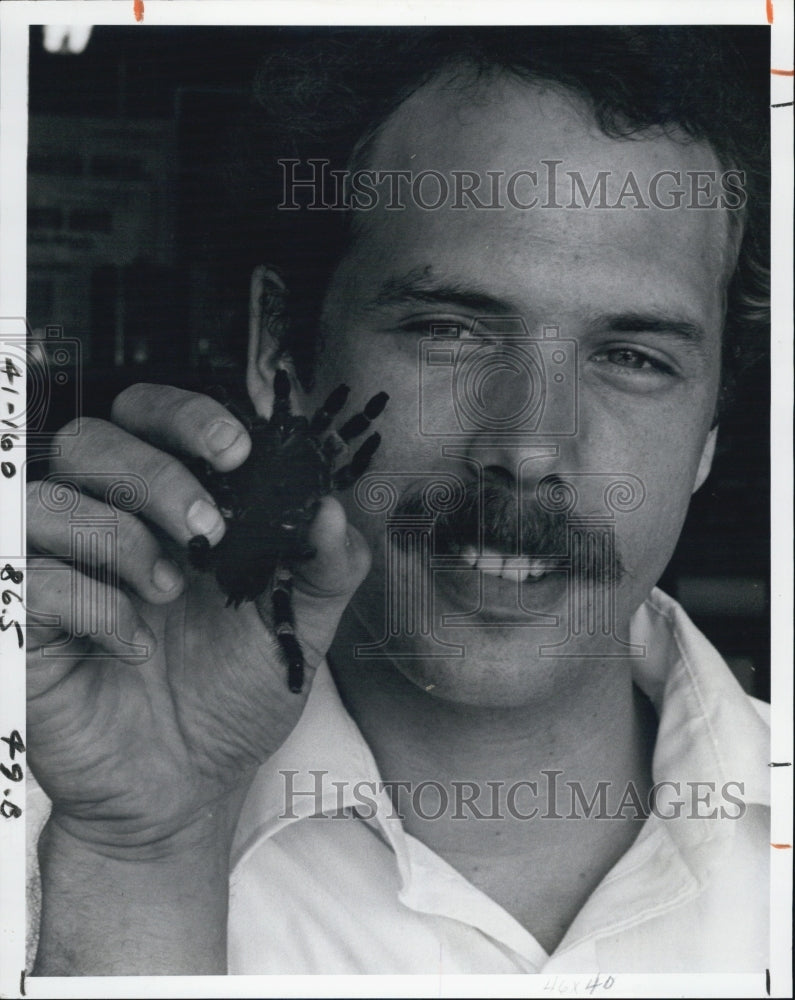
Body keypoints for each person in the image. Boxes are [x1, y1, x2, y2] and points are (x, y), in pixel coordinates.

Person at [25, 27, 770, 975]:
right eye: (450, 328)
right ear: (278, 352)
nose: (529, 448)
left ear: (711, 429)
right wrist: (142, 855)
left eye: (631, 358)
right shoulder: (64, 818)